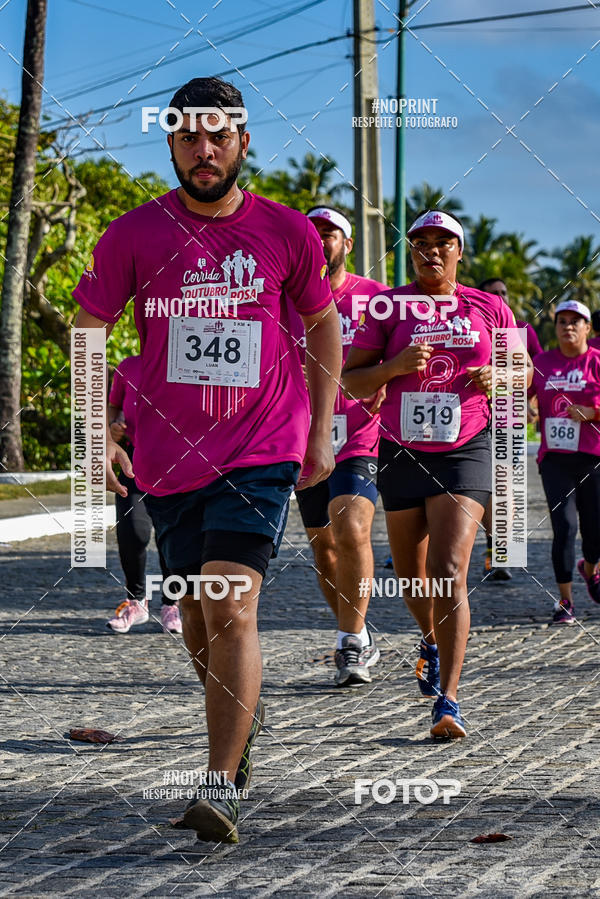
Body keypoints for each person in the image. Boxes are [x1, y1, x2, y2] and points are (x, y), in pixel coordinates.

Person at [73, 76, 342, 844]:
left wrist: (321, 428)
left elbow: (322, 323)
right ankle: (240, 721)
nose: (204, 150)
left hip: (262, 445)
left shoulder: (286, 231)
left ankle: (220, 785)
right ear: (170, 143)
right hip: (168, 457)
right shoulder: (133, 235)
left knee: (229, 604)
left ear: (243, 142)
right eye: (188, 136)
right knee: (196, 616)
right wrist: (97, 432)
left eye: (218, 136)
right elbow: (88, 327)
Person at [342, 209, 531, 739]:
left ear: (459, 252)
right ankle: (429, 638)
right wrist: (394, 367)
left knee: (449, 570)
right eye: (421, 242)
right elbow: (352, 380)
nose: (431, 250)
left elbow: (524, 371)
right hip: (401, 450)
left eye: (442, 242)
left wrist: (499, 374)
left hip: (466, 448)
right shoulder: (388, 306)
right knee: (412, 576)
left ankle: (449, 700)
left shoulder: (489, 306)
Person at [286, 206, 386, 686]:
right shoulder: (284, 295)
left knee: (351, 526)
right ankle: (359, 632)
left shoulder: (376, 298)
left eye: (331, 233)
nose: (321, 239)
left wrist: (387, 377)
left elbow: (404, 348)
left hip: (358, 433)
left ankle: (349, 643)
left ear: (348, 244)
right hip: (303, 435)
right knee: (323, 546)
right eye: (314, 232)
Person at [529, 300, 600, 624]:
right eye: (562, 321)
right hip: (555, 459)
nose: (568, 326)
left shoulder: (596, 361)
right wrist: (526, 407)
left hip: (593, 457)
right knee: (565, 527)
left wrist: (593, 412)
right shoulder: (541, 363)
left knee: (595, 530)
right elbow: (519, 395)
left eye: (575, 321)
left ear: (587, 328)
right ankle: (565, 600)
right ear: (555, 328)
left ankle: (590, 568)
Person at [107, 355, 182, 635]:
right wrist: (112, 428)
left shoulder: (184, 362)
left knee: (171, 538)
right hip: (134, 462)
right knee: (133, 532)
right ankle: (136, 602)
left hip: (175, 464)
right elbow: (113, 408)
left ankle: (171, 605)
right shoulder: (128, 367)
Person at [477, 277, 543, 581]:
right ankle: (494, 546)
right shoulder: (471, 325)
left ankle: (501, 552)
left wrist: (529, 402)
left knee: (505, 485)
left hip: (509, 412)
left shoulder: (521, 329)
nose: (501, 297)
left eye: (504, 293)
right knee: (485, 487)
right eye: (494, 293)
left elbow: (537, 368)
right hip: (473, 416)